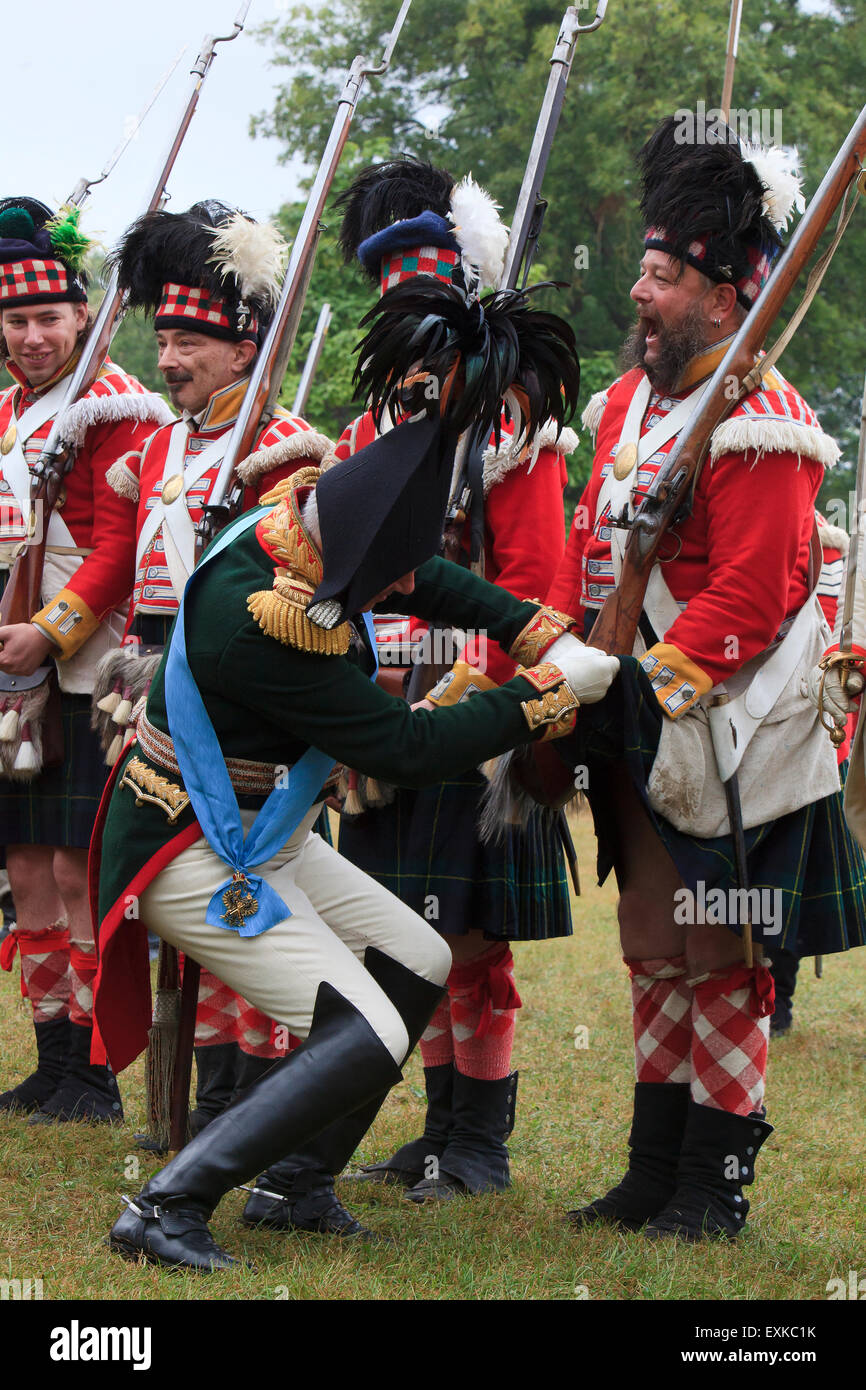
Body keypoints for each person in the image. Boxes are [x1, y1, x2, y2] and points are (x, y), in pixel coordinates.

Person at [91, 272, 619, 1270]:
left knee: (418, 961)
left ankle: (296, 1185)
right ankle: (163, 1205)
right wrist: (546, 691)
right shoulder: (266, 628)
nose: (393, 592)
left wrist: (522, 622)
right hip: (194, 847)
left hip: (261, 823)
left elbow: (422, 574)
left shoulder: (301, 521)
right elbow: (401, 749)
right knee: (366, 1028)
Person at [542, 116, 866, 1241]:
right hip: (631, 708)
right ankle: (650, 1169)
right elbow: (599, 538)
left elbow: (755, 589)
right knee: (652, 946)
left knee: (719, 955)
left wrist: (638, 678)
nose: (638, 292)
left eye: (662, 276)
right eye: (638, 267)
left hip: (727, 728)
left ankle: (711, 1186)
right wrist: (583, 655)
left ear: (725, 298)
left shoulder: (765, 419)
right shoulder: (629, 407)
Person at [243, 158, 579, 1230]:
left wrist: (471, 704)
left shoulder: (512, 429)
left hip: (465, 711)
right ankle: (430, 1127)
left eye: (418, 293)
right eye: (389, 298)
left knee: (470, 948)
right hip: (378, 710)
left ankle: (476, 1141)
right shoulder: (361, 434)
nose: (402, 315)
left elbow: (533, 587)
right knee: (401, 932)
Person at [100, 200, 334, 1136]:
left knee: (245, 899)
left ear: (244, 350)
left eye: (191, 340)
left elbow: (298, 598)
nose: (169, 360)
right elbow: (133, 570)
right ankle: (181, 1102)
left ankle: (250, 1100)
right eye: (162, 339)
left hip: (239, 702)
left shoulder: (286, 449)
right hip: (152, 690)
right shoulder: (159, 444)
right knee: (178, 906)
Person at [0, 197, 172, 1121]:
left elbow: (117, 542)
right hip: (7, 658)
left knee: (75, 869)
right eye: (16, 320)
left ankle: (96, 1071)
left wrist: (53, 629)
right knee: (25, 866)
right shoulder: (6, 414)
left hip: (82, 659)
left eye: (48, 318)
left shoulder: (116, 403)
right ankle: (52, 1058)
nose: (32, 337)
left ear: (82, 317)